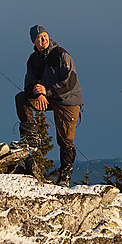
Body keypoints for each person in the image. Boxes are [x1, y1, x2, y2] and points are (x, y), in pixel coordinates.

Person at [14, 25, 83, 187]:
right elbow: (29, 82)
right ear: (34, 42)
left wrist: (47, 91)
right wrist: (38, 93)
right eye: (39, 38)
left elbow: (70, 82)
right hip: (48, 97)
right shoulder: (33, 59)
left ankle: (65, 176)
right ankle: (30, 137)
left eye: (45, 36)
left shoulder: (61, 54)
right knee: (22, 98)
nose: (43, 40)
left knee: (65, 140)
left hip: (68, 100)